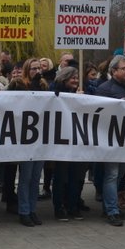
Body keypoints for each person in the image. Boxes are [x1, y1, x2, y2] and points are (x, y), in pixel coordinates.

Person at [95, 55, 125, 226]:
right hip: (110, 139)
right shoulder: (105, 89)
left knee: (119, 175)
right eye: (124, 68)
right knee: (111, 174)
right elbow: (98, 113)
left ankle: (109, 206)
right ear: (113, 71)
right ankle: (112, 210)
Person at [8, 57, 47, 227]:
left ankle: (32, 209)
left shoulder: (44, 86)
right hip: (24, 138)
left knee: (36, 176)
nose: (37, 71)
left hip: (40, 138)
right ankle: (23, 211)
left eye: (39, 68)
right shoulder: (18, 85)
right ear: (26, 70)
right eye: (33, 68)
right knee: (26, 176)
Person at [50, 66, 86, 221]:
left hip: (76, 141)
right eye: (73, 78)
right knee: (61, 177)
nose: (76, 81)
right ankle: (59, 207)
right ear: (64, 78)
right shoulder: (54, 93)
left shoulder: (80, 93)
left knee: (75, 176)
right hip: (61, 142)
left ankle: (73, 206)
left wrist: (81, 100)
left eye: (77, 78)